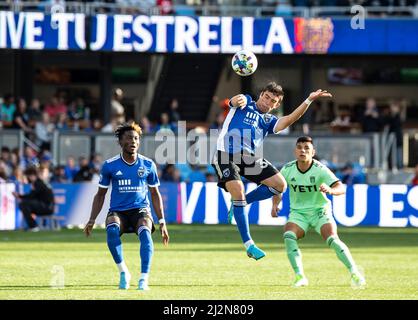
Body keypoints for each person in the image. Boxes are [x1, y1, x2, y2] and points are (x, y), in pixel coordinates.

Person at [213, 81, 332, 260]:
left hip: (248, 158)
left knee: (280, 185)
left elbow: (290, 119)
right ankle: (249, 245)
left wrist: (308, 100)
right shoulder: (246, 101)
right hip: (225, 155)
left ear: (276, 105)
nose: (267, 102)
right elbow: (234, 101)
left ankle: (241, 204)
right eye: (266, 97)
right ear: (261, 95)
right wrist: (236, 101)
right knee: (237, 190)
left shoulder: (268, 121)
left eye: (272, 101)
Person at [83, 122, 169, 291]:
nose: (133, 141)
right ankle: (124, 272)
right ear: (120, 142)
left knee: (145, 230)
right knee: (112, 229)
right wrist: (92, 219)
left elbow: (155, 194)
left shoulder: (148, 164)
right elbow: (100, 195)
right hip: (118, 211)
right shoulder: (110, 165)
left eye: (136, 138)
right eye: (129, 138)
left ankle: (144, 278)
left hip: (140, 210)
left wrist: (162, 221)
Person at [271, 136, 366, 288]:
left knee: (332, 240)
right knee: (288, 235)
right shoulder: (288, 169)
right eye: (299, 147)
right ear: (295, 151)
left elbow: (340, 187)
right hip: (298, 213)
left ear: (313, 152)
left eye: (307, 148)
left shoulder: (320, 169)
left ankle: (354, 272)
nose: (303, 150)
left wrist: (330, 190)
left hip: (320, 211)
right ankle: (300, 276)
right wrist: (276, 204)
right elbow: (278, 187)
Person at [12, 166, 55, 232]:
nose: (28, 178)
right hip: (47, 206)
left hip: (46, 207)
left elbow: (31, 195)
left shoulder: (38, 183)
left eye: (28, 176)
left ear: (32, 175)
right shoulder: (40, 182)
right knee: (24, 204)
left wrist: (19, 196)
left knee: (24, 204)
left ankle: (33, 226)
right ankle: (32, 225)